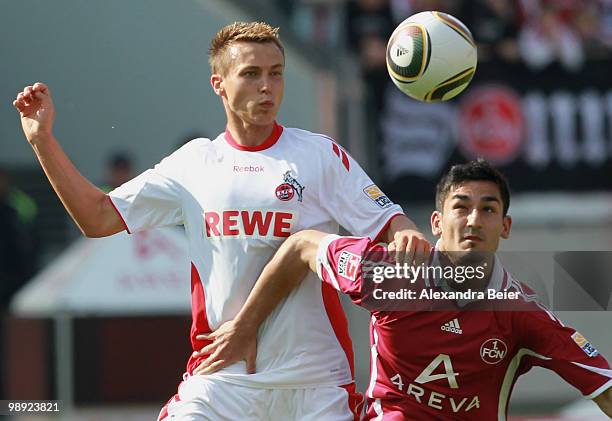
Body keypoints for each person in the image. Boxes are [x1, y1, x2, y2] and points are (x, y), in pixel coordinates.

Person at [12, 21, 430, 420]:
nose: (267, 86)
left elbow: (389, 221)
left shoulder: (319, 155)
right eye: (251, 74)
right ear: (220, 85)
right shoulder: (195, 162)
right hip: (221, 378)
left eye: (276, 73)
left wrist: (408, 234)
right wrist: (42, 140)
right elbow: (97, 218)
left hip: (314, 383)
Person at [197, 159, 612, 419]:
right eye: (461, 207)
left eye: (488, 210)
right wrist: (246, 325)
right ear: (436, 223)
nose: (472, 220)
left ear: (504, 227)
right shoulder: (391, 274)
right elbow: (302, 244)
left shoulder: (521, 313)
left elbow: (603, 387)